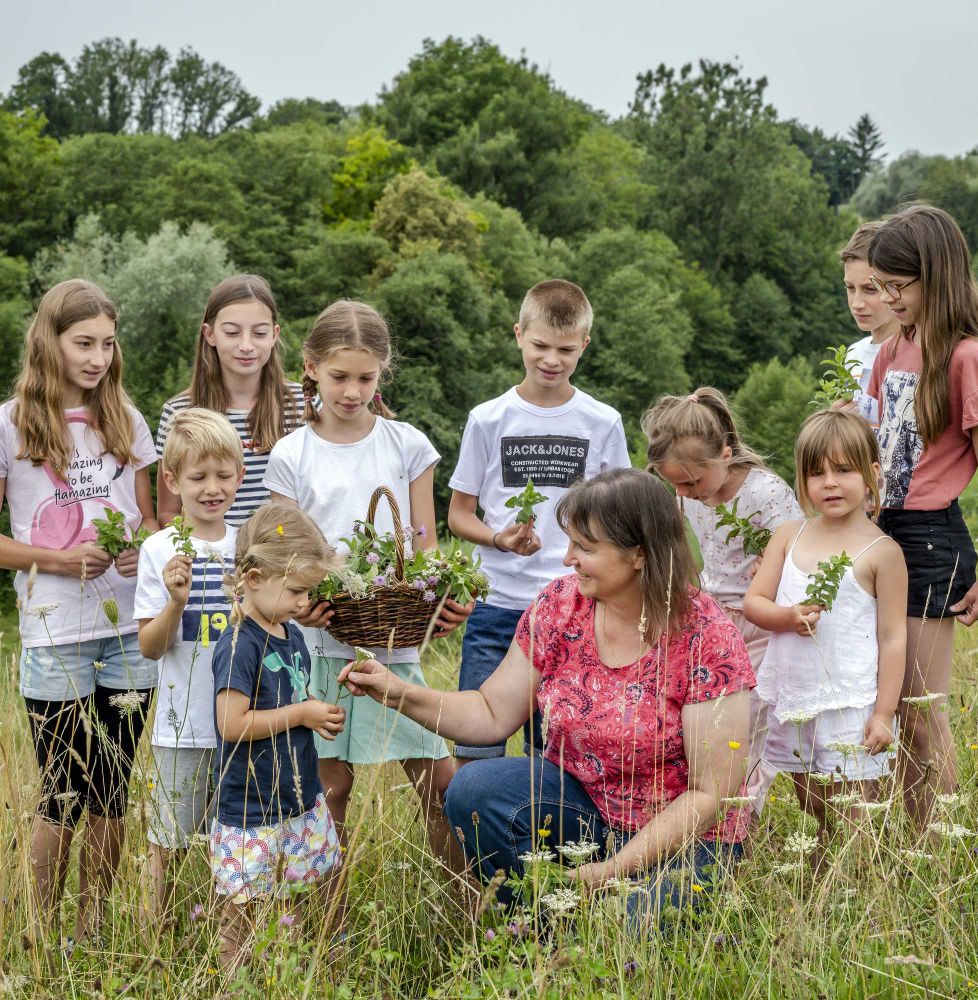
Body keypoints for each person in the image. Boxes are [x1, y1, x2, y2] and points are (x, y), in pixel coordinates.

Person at [340, 469, 754, 925]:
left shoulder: (705, 635)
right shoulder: (562, 605)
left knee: (633, 937)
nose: (568, 559)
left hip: (683, 837)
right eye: (570, 542)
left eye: (586, 548)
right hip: (583, 812)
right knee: (474, 789)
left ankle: (589, 913)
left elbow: (711, 792)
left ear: (639, 553)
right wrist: (397, 692)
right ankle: (542, 923)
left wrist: (615, 870)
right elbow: (491, 711)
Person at [0, 279, 157, 946]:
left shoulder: (127, 420)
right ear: (50, 341)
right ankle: (43, 932)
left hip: (130, 632)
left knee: (112, 791)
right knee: (61, 793)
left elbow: (151, 519)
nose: (98, 357)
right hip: (55, 635)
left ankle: (92, 926)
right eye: (83, 344)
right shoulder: (5, 425)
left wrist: (139, 552)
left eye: (107, 344)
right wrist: (56, 560)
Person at [264, 300, 469, 874]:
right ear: (309, 367)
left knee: (441, 783)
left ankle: (468, 906)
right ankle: (328, 926)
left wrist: (442, 600)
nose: (352, 391)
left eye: (365, 377)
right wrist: (303, 606)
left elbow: (425, 547)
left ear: (382, 373)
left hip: (395, 641)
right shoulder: (292, 454)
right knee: (329, 792)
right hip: (322, 646)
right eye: (339, 377)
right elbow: (287, 555)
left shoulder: (406, 444)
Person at [866, 204, 978, 827]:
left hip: (930, 539)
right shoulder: (891, 349)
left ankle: (942, 852)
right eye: (882, 285)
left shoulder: (967, 356)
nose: (889, 298)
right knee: (890, 708)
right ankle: (906, 845)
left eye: (900, 286)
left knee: (923, 709)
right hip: (878, 534)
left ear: (938, 276)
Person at [447, 279, 630, 765]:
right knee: (475, 746)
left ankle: (544, 843)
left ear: (585, 345)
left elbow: (618, 517)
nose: (552, 359)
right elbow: (458, 514)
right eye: (540, 346)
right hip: (497, 608)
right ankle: (481, 842)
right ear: (519, 335)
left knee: (552, 756)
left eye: (566, 350)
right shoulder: (488, 419)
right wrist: (499, 539)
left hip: (573, 609)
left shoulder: (602, 421)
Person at [742, 411, 906, 847]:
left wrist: (884, 714)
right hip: (796, 695)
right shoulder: (789, 535)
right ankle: (816, 885)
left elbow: (893, 638)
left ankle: (863, 888)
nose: (830, 482)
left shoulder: (882, 552)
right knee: (810, 805)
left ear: (872, 473)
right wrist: (788, 616)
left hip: (850, 699)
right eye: (817, 473)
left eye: (844, 470)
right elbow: (754, 603)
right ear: (803, 480)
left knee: (855, 808)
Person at [643, 388, 802, 813]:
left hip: (764, 623)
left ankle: (740, 817)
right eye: (675, 483)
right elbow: (687, 553)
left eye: (692, 481)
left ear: (726, 453)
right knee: (707, 721)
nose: (686, 491)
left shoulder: (764, 491)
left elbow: (801, 548)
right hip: (714, 623)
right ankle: (702, 806)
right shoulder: (686, 494)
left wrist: (775, 563)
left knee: (750, 723)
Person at [209, 502, 344, 967]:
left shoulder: (291, 633)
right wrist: (301, 713)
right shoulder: (239, 645)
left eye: (308, 592)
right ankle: (234, 983)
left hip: (295, 797)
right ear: (253, 578)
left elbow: (292, 701)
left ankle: (283, 975)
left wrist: (315, 717)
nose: (304, 603)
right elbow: (231, 724)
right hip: (251, 806)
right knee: (242, 912)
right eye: (295, 591)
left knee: (291, 900)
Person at [133, 410, 242, 926]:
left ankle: (230, 943)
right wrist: (175, 602)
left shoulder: (248, 545)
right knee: (168, 846)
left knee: (236, 844)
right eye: (198, 478)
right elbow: (151, 648)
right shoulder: (159, 549)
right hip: (181, 728)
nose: (212, 489)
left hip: (242, 727)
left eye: (223, 475)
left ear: (240, 476)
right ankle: (157, 941)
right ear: (173, 482)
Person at [154, 274, 304, 528]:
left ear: (274, 334)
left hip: (281, 557)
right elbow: (168, 512)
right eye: (232, 332)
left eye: (259, 333)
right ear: (210, 334)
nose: (246, 345)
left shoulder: (303, 404)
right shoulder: (179, 413)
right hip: (210, 561)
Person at [840, 222, 901, 427]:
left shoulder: (918, 353)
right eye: (850, 288)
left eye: (869, 289)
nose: (857, 303)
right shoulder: (853, 354)